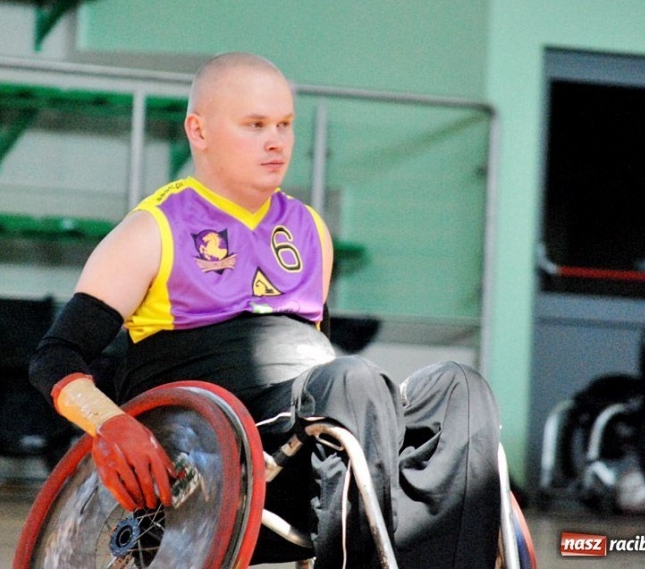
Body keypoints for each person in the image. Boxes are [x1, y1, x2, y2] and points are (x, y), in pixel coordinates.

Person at [29, 52, 501, 568]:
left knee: (461, 388)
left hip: (315, 437)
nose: (276, 142)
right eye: (255, 125)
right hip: (215, 448)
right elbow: (57, 355)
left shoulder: (309, 229)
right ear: (199, 130)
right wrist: (109, 423)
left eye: (284, 125)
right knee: (351, 380)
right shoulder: (152, 231)